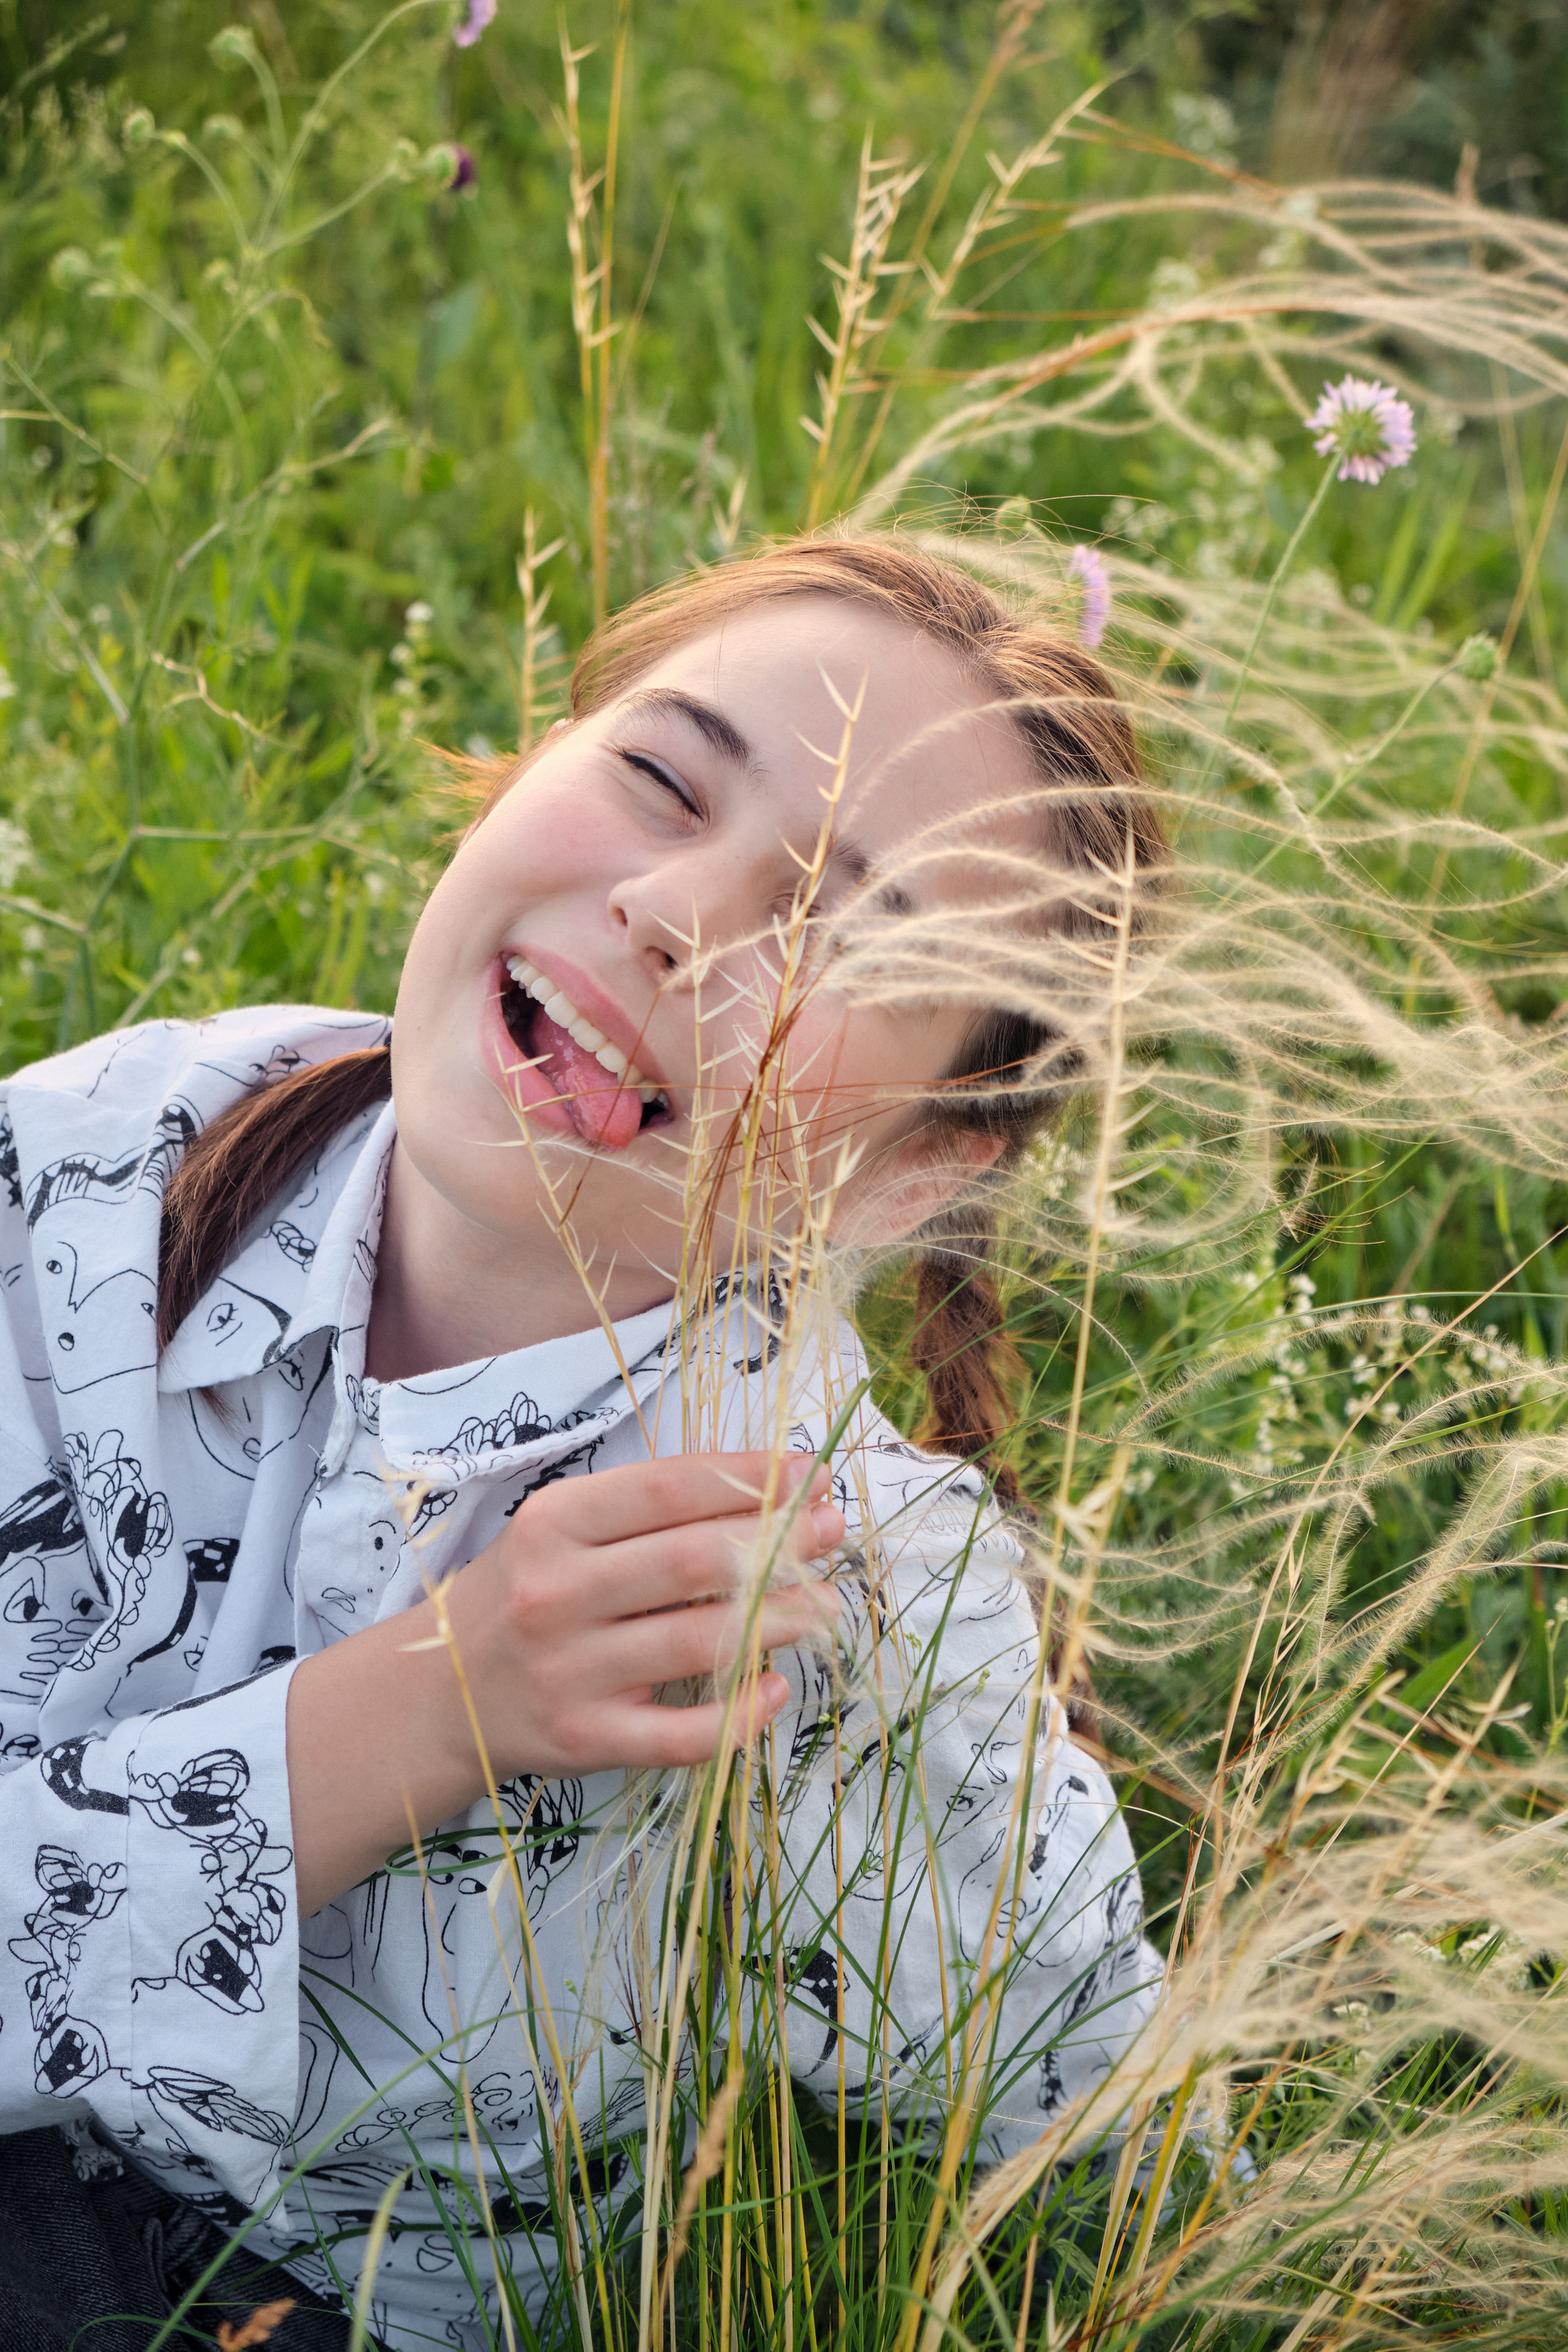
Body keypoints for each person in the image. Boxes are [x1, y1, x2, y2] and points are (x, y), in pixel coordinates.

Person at [0, 537, 1166, 2350]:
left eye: (844, 934)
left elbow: (1118, 2146)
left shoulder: (839, 1587)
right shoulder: (89, 1180)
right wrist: (432, 1705)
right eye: (662, 778)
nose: (675, 913)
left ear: (923, 1170)